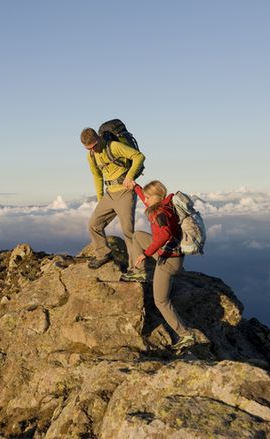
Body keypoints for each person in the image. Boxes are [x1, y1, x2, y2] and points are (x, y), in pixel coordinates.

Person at [121, 180, 195, 351]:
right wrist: (136, 187)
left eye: (147, 198)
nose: (144, 200)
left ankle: (185, 335)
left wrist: (145, 254)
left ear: (155, 197)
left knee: (161, 300)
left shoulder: (159, 213)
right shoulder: (165, 206)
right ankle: (139, 272)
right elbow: (146, 198)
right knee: (138, 235)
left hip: (169, 261)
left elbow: (165, 234)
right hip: (171, 254)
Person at [81, 127, 145, 270]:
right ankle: (103, 254)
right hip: (109, 194)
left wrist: (129, 177)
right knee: (93, 225)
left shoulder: (114, 146)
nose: (93, 150)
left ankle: (135, 269)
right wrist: (100, 197)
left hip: (125, 192)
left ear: (98, 138)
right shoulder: (91, 155)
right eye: (89, 149)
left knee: (128, 231)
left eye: (95, 146)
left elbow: (139, 156)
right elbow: (97, 175)